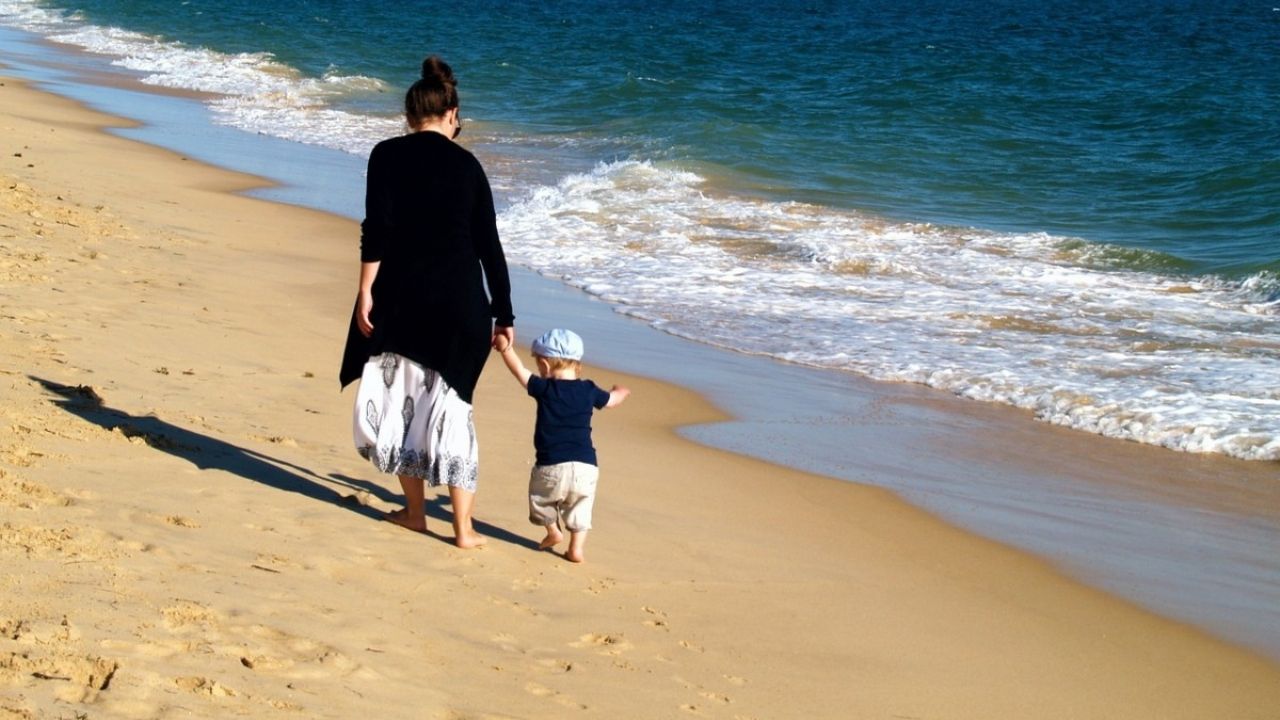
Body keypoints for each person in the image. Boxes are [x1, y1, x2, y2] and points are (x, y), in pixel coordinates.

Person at [339, 55, 514, 548]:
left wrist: (365, 291)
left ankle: (416, 513)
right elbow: (489, 246)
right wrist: (504, 313)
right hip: (462, 308)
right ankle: (463, 529)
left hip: (403, 300)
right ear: (452, 113)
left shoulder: (385, 155)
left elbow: (377, 231)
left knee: (401, 408)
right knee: (454, 411)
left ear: (410, 114)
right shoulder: (470, 166)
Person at [493, 328, 629, 562]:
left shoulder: (544, 388)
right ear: (577, 364)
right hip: (587, 465)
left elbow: (519, 371)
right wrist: (620, 392)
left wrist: (506, 348)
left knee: (541, 500)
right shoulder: (588, 390)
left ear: (545, 365)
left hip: (551, 465)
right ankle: (576, 549)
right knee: (580, 509)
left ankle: (553, 531)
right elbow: (612, 401)